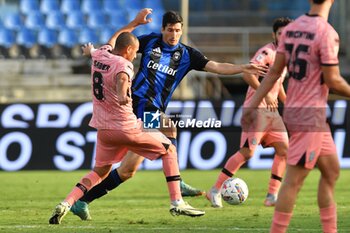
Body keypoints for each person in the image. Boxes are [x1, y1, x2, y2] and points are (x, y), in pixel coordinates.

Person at [70, 9, 267, 220]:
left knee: (127, 171)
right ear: (162, 29)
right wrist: (130, 28)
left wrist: (242, 68)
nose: (174, 34)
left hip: (152, 109)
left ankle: (83, 201)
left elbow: (216, 67)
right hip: (138, 105)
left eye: (178, 30)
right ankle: (177, 184)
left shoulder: (187, 55)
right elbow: (121, 46)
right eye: (170, 30)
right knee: (169, 127)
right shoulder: (150, 42)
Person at [49, 25, 206, 224]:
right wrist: (123, 95)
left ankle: (69, 202)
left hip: (104, 130)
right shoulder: (126, 65)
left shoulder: (100, 55)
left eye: (177, 30)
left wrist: (134, 22)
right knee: (168, 148)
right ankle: (177, 197)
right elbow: (123, 81)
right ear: (130, 50)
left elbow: (112, 40)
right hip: (131, 122)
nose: (135, 57)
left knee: (109, 171)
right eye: (170, 30)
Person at [244, 0, 350, 232]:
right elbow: (333, 80)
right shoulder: (327, 32)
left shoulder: (292, 30)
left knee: (331, 171)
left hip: (304, 112)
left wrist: (251, 105)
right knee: (294, 181)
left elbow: (272, 73)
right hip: (308, 115)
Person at [206, 17, 292, 208]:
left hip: (272, 112)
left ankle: (272, 196)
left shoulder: (285, 57)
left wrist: (289, 104)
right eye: (280, 33)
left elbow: (277, 86)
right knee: (247, 152)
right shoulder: (267, 52)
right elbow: (247, 73)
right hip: (257, 109)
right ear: (274, 35)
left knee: (284, 150)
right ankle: (215, 189)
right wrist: (266, 95)